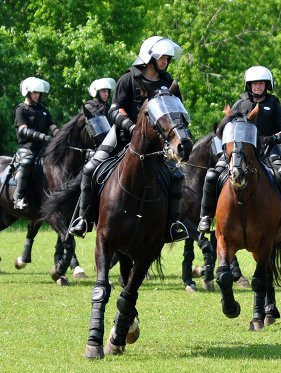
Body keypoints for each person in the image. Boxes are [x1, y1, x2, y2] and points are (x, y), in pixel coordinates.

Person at [69, 36, 188, 242]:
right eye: (162, 57)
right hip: (123, 137)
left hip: (157, 142)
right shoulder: (128, 78)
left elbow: (176, 110)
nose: (165, 62)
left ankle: (172, 224)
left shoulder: (168, 81)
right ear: (149, 57)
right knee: (90, 169)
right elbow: (115, 110)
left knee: (177, 176)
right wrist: (132, 128)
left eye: (168, 58)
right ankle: (83, 219)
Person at [198, 66, 281, 235]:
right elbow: (224, 129)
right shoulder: (240, 103)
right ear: (248, 85)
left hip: (268, 151)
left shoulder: (273, 104)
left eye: (261, 83)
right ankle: (206, 217)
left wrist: (274, 138)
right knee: (212, 175)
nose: (258, 87)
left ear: (267, 85)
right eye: (254, 84)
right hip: (239, 152)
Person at [13, 77, 58, 210]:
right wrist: (43, 136)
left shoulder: (43, 110)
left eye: (39, 93)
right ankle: (18, 198)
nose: (38, 95)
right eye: (35, 92)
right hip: (28, 148)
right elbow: (23, 130)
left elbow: (53, 127)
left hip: (44, 149)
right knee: (27, 163)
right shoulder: (21, 109)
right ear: (27, 92)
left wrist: (61, 136)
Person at [83, 78, 115, 150]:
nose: (106, 94)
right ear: (96, 92)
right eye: (103, 91)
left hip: (111, 142)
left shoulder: (108, 107)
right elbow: (88, 128)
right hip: (94, 146)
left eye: (107, 92)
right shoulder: (88, 106)